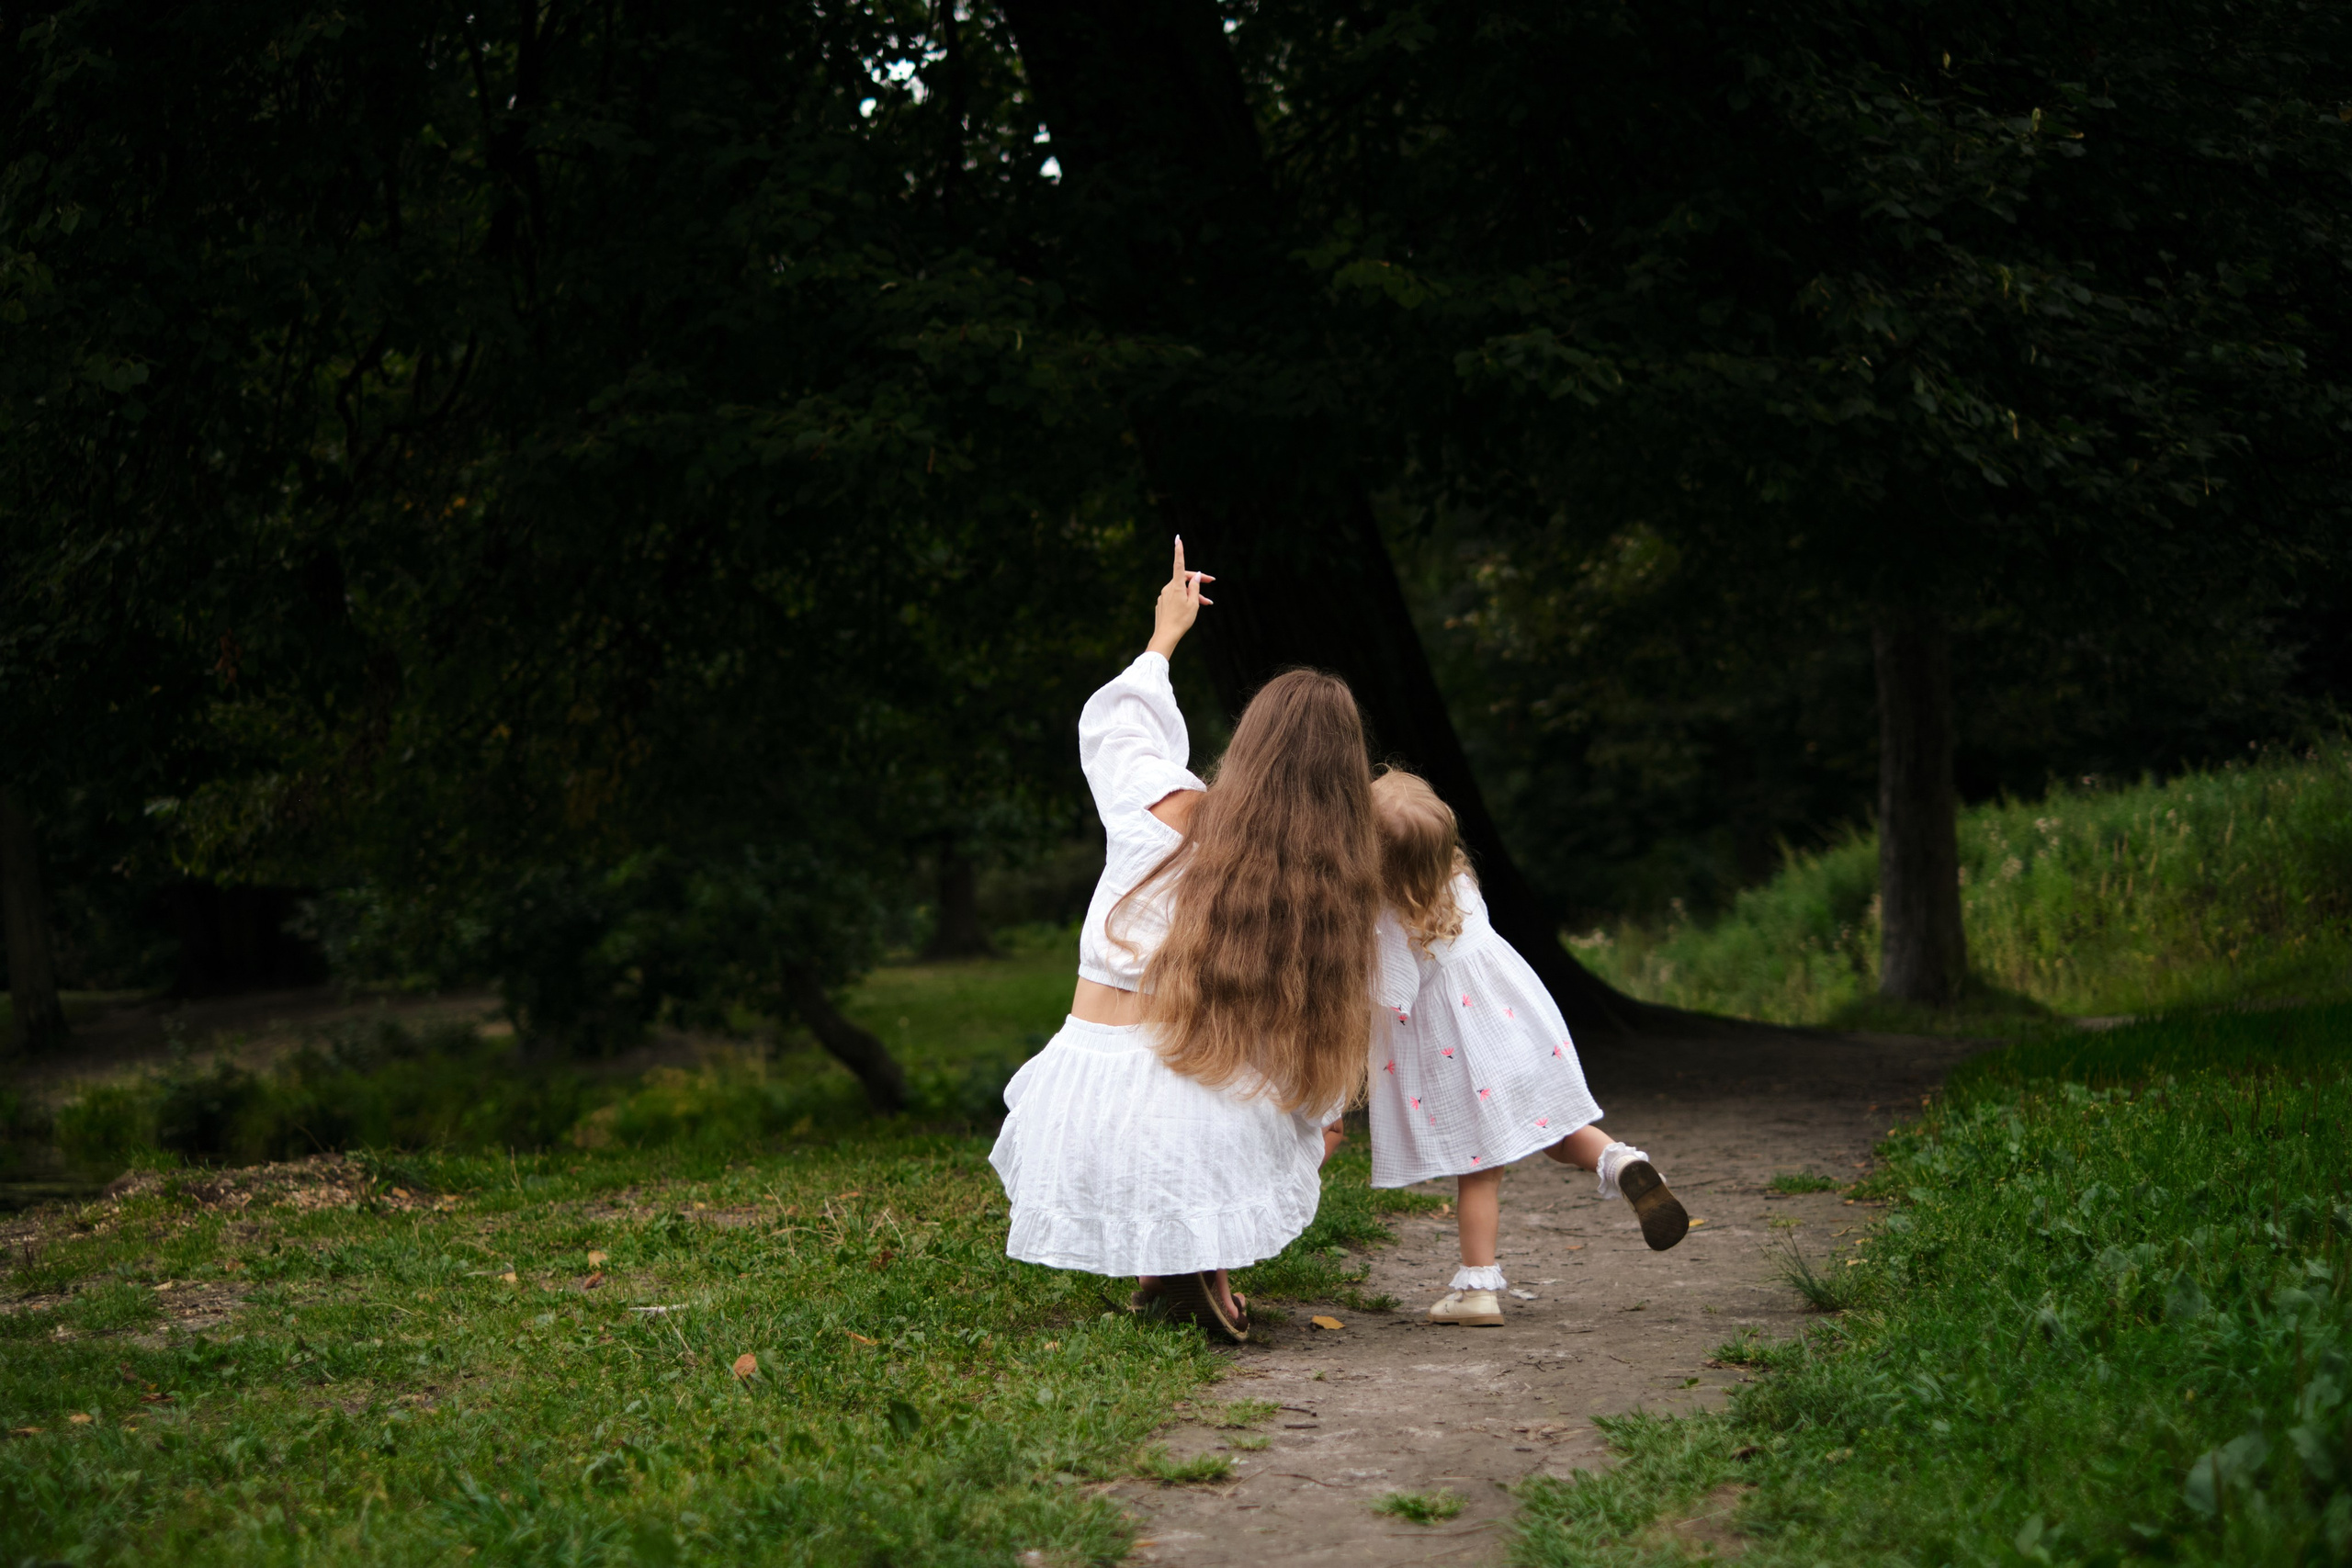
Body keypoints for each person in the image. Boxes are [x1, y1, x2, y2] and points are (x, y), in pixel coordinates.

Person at [989, 539, 1410, 1341]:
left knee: (1195, 1093)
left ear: (1246, 746)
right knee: (1303, 1114)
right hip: (1195, 1138)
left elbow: (1116, 729)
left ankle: (1171, 1266)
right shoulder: (1316, 890)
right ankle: (1201, 1254)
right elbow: (1310, 1055)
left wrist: (1164, 636)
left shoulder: (1154, 809)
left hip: (1074, 1116)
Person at [1365, 769, 1689, 1327]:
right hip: (1518, 1032)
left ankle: (1477, 1291)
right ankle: (1620, 1161)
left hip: (1465, 1059)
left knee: (1480, 1172)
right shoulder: (1461, 889)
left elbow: (1390, 993)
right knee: (1560, 1135)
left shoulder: (1388, 923)